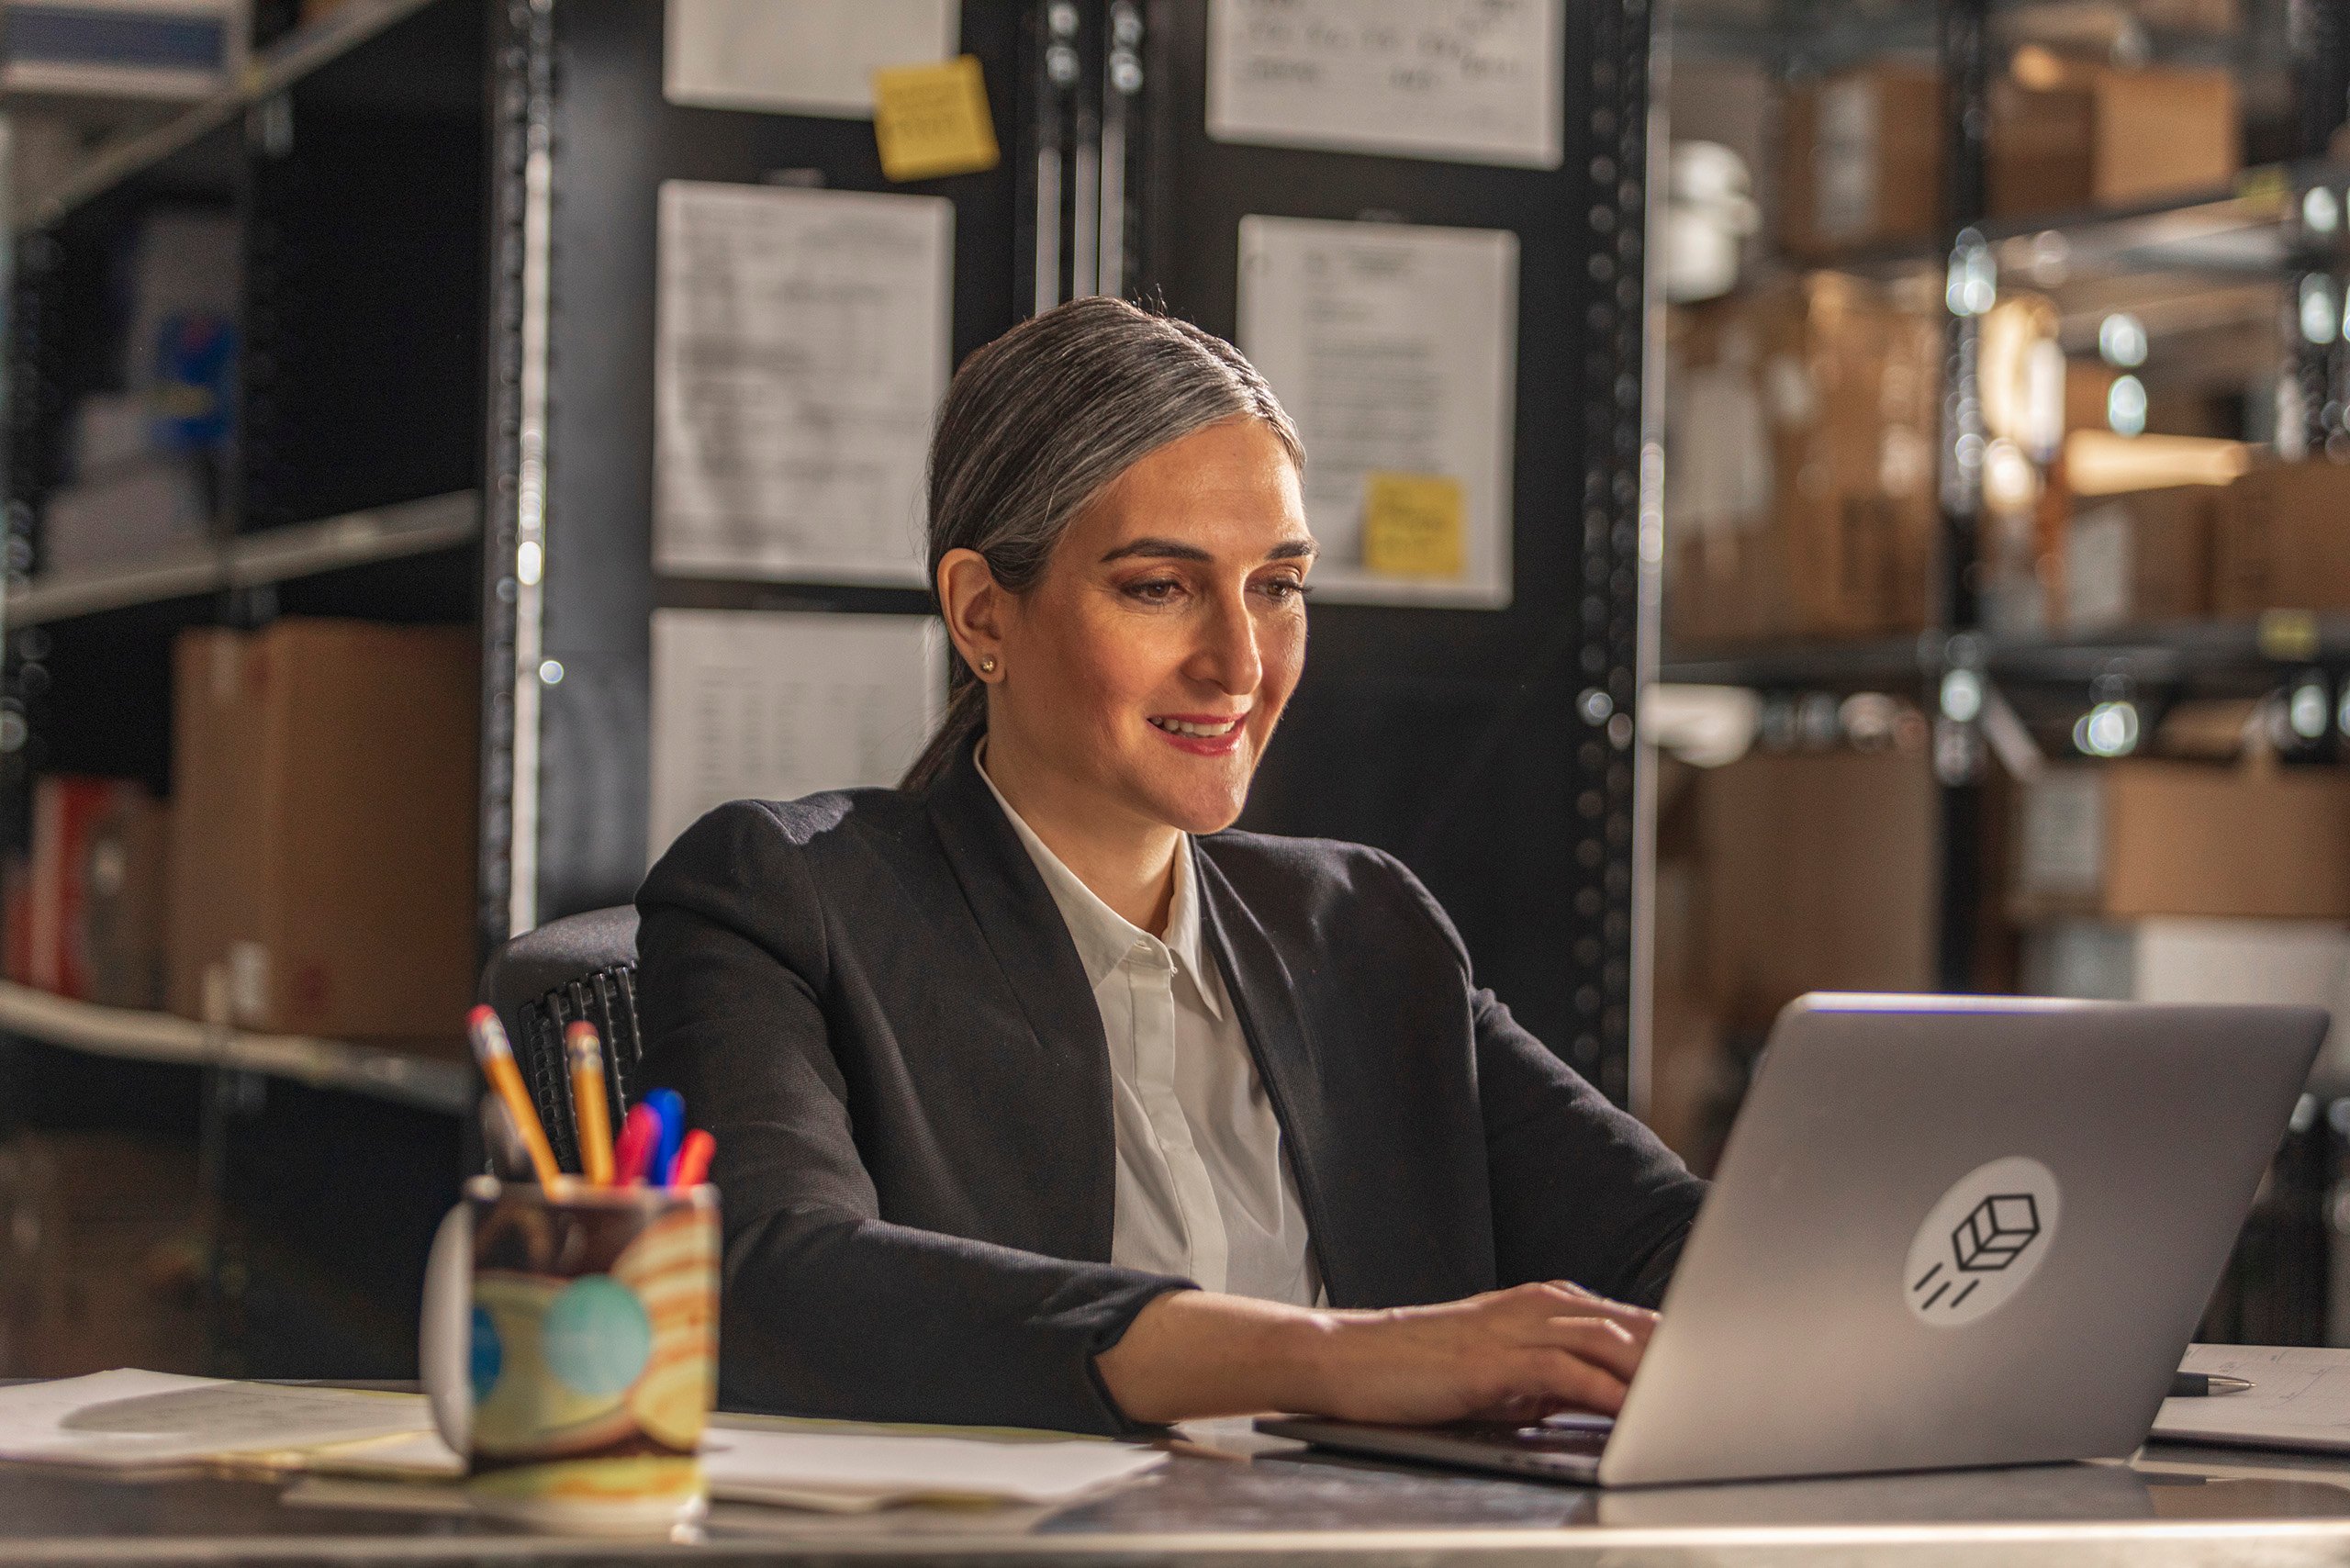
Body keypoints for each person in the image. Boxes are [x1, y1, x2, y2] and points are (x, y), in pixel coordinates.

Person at [637, 296, 1707, 1438]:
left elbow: (1674, 1246)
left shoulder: (1360, 926)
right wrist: (1336, 1358)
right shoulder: (783, 898)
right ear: (981, 612)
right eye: (1160, 586)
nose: (1240, 662)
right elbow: (771, 1278)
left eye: (1278, 585)